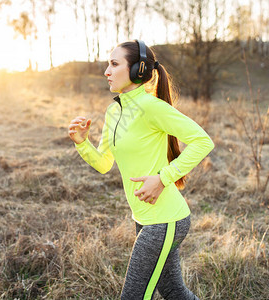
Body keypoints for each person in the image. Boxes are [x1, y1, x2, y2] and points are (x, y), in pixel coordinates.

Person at [67, 40, 214, 300]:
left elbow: (203, 141)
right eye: (107, 64)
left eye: (114, 64)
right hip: (144, 218)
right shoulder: (114, 111)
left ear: (138, 70)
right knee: (174, 291)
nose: (106, 71)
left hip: (166, 219)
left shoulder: (151, 107)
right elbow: (104, 163)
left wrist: (163, 178)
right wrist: (82, 143)